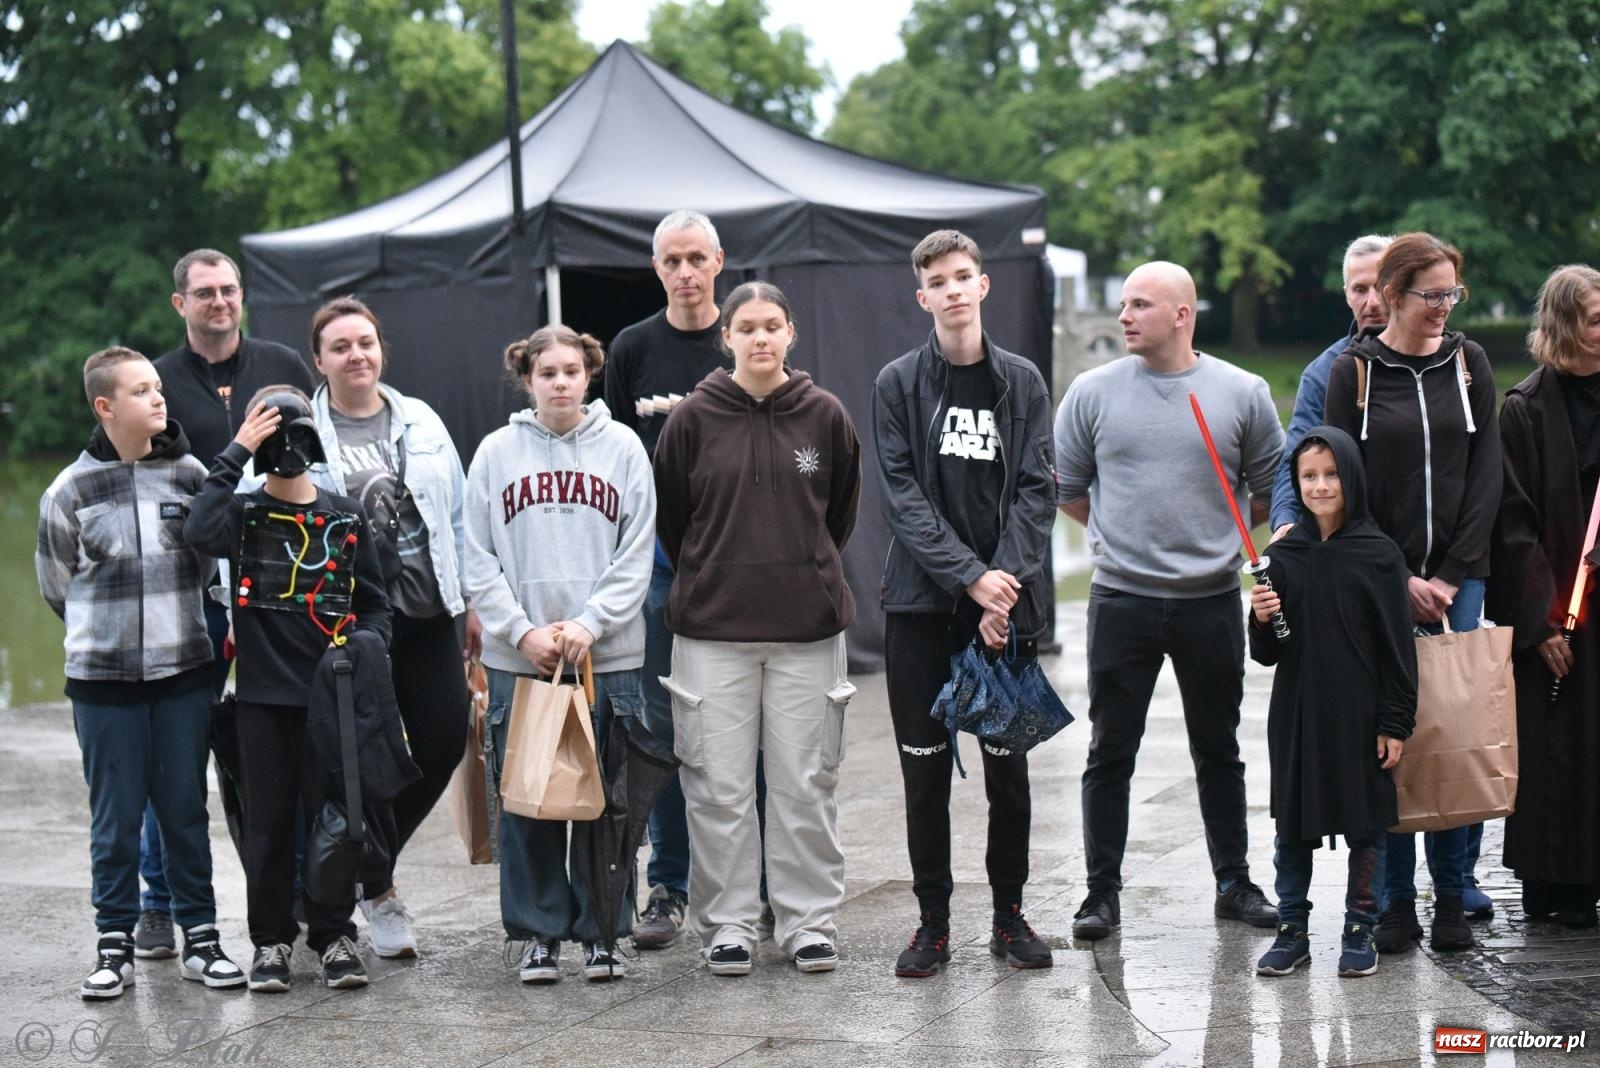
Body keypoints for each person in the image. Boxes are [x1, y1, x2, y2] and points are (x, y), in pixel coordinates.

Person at [1056, 259, 1285, 941]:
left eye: (1141, 305)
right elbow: (1068, 487)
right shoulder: (1092, 392)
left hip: (1210, 600)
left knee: (1219, 748)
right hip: (1121, 599)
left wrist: (1218, 542)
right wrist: (1111, 537)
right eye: (1124, 303)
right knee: (1109, 750)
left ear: (1182, 314)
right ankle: (1101, 893)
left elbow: (1273, 489)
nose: (1124, 315)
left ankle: (1235, 882)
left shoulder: (1241, 392)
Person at [654, 281, 861, 976]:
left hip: (807, 628)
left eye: (774, 325)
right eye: (748, 327)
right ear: (729, 337)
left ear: (792, 334)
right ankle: (731, 923)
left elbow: (839, 518)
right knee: (717, 786)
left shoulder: (826, 416)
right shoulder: (691, 421)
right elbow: (675, 522)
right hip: (713, 631)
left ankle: (806, 922)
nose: (761, 338)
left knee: (806, 782)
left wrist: (799, 567)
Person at [872, 229, 1057, 977]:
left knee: (1007, 774)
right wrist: (970, 580)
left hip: (1004, 614)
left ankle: (1009, 917)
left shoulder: (1024, 382)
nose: (952, 290)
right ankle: (933, 925)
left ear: (983, 286)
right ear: (924, 298)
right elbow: (903, 498)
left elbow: (1038, 491)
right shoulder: (897, 384)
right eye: (937, 282)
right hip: (922, 611)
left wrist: (1002, 586)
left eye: (962, 276)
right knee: (924, 776)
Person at [36, 347, 246, 999]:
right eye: (141, 391)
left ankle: (203, 941)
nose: (159, 398)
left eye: (159, 387)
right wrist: (110, 640)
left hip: (184, 676)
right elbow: (56, 586)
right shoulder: (68, 491)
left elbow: (209, 568)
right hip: (104, 687)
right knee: (115, 816)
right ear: (105, 407)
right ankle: (114, 946)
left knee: (185, 811)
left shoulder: (188, 477)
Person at [1323, 232, 1501, 955]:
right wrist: (1397, 577)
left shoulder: (1469, 363)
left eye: (1452, 294)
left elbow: (1487, 471)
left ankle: (1452, 893)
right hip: (1380, 584)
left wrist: (1452, 576)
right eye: (1432, 295)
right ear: (1393, 294)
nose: (1445, 308)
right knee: (1392, 739)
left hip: (1459, 581)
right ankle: (1396, 901)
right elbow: (1339, 483)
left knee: (1453, 739)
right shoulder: (1353, 373)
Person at [136, 248, 315, 960]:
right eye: (204, 292)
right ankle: (160, 904)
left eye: (229, 290)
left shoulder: (281, 368)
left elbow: (312, 463)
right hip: (188, 600)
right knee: (174, 763)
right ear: (179, 302)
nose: (219, 302)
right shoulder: (156, 382)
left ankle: (303, 894)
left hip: (275, 600)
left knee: (285, 759)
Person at [465, 325, 655, 984]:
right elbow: (477, 554)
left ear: (590, 374)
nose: (561, 382)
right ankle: (538, 934)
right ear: (527, 379)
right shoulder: (495, 452)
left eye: (572, 370)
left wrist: (590, 624)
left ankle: (603, 931)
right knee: (529, 803)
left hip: (609, 655)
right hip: (524, 659)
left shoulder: (624, 447)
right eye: (547, 372)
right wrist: (521, 632)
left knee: (608, 802)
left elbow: (637, 553)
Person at [184, 386, 391, 992]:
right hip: (261, 703)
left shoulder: (346, 516)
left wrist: (358, 652)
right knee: (269, 825)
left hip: (330, 703)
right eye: (273, 434)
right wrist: (237, 449)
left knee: (336, 822)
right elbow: (198, 530)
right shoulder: (243, 518)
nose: (287, 447)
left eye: (295, 431)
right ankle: (271, 941)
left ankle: (333, 934)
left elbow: (377, 609)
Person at [304, 296, 477, 959]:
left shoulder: (423, 421)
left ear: (382, 350)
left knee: (441, 738)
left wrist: (472, 603)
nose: (357, 355)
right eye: (341, 346)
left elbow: (459, 516)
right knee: (361, 759)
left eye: (367, 342)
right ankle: (379, 891)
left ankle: (351, 864)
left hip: (430, 611)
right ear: (320, 360)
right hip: (349, 626)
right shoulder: (305, 431)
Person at [603, 210, 730, 948]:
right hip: (656, 574)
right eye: (671, 261)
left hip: (737, 574)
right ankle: (668, 886)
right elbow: (616, 454)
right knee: (659, 732)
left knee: (746, 733)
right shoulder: (633, 348)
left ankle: (761, 886)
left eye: (695, 258)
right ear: (657, 269)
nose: (684, 272)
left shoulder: (744, 334)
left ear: (718, 261)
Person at [1250, 428, 1418, 979]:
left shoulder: (1379, 555)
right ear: (1296, 484)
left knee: (1366, 823)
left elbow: (1398, 649)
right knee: (1291, 825)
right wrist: (1261, 617)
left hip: (1361, 712)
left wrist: (1394, 721)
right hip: (1298, 711)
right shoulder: (1282, 555)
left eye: (1331, 474)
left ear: (1351, 476)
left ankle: (1359, 926)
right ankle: (1292, 928)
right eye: (1309, 476)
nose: (1321, 486)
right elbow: (1268, 655)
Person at [1487, 264, 1600, 930]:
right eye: (1593, 317)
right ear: (1564, 325)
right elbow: (1513, 523)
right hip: (1552, 610)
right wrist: (1541, 623)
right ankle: (1549, 877)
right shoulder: (1526, 409)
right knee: (1553, 742)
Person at [1269, 235, 1393, 534]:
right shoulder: (1323, 373)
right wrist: (1286, 520)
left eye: (1380, 287)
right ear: (1346, 295)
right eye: (1360, 290)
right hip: (1357, 546)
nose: (1372, 302)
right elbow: (1297, 457)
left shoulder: (1446, 360)